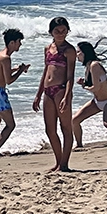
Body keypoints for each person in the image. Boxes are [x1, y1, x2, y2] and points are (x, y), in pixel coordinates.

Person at [33, 16, 77, 171]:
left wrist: (67, 95)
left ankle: (64, 164)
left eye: (63, 31)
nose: (60, 33)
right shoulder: (48, 48)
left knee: (65, 128)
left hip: (61, 90)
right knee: (50, 129)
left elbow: (70, 75)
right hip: (47, 91)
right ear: (51, 32)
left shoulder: (69, 50)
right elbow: (46, 72)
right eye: (57, 31)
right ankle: (58, 161)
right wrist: (38, 94)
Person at [0, 28, 29, 157]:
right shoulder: (6, 58)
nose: (20, 44)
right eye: (18, 41)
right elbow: (9, 80)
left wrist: (16, 68)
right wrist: (20, 71)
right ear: (12, 43)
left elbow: (2, 73)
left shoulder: (1, 55)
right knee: (10, 125)